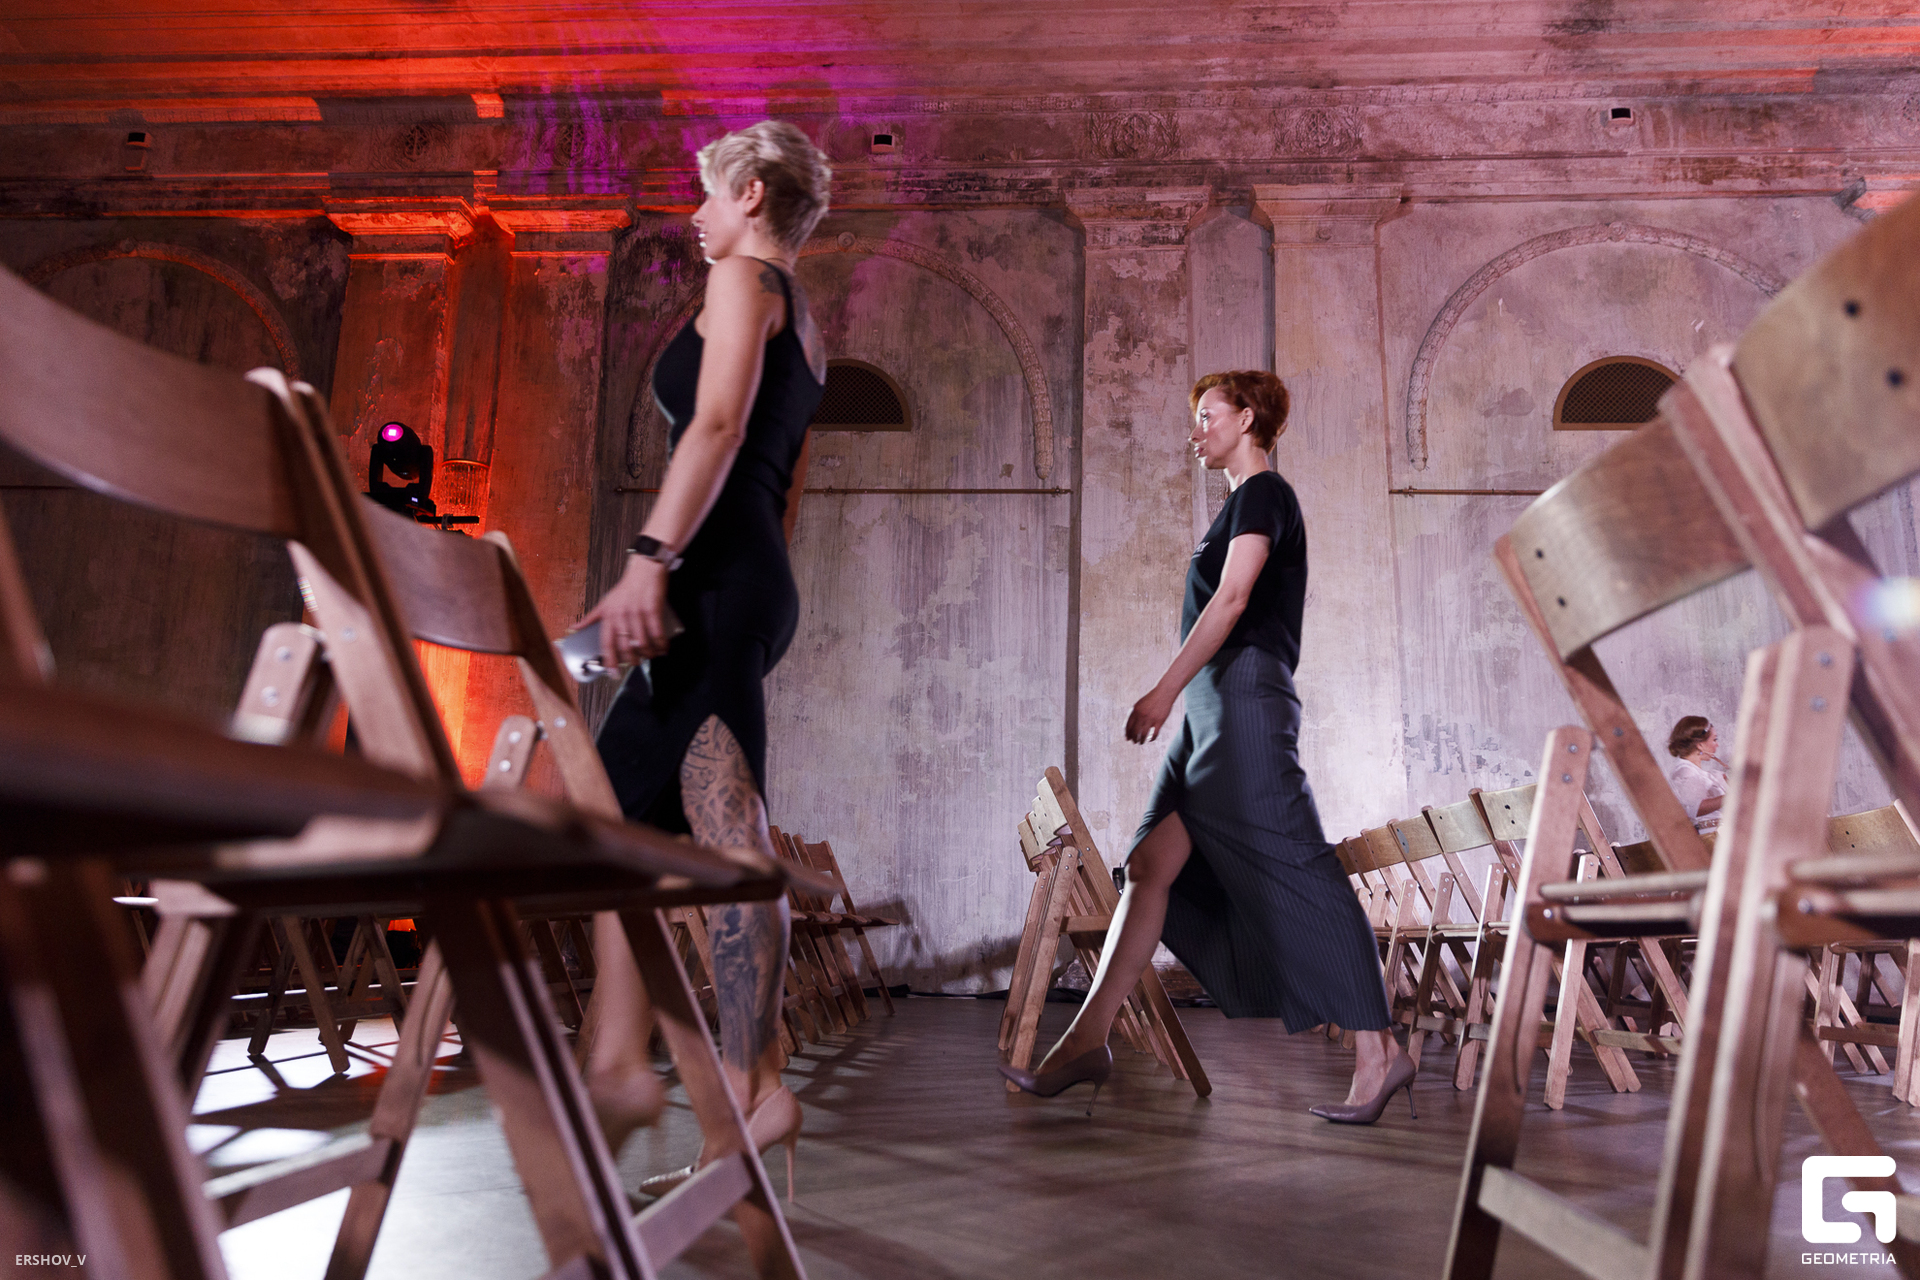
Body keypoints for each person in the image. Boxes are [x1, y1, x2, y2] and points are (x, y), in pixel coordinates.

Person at [1000, 370, 1412, 1124]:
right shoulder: (1232, 507)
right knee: (1150, 865)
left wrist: (1163, 690)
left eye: (1207, 416)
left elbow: (1233, 598)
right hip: (1210, 706)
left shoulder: (1263, 493)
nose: (1195, 432)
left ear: (1246, 418)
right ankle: (1087, 1041)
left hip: (1244, 698)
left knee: (1299, 864)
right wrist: (1184, 700)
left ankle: (1378, 1051)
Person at [578, 119, 831, 1188]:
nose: (695, 213)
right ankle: (621, 1064)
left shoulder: (744, 281)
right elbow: (786, 481)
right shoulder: (807, 324)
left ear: (754, 194)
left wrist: (651, 560)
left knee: (727, 837)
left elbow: (717, 426)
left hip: (714, 579)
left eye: (709, 193)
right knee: (621, 817)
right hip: (743, 576)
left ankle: (747, 1089)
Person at [1666, 715, 1727, 833]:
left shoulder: (1698, 772)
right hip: (1708, 837)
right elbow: (1694, 808)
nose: (1717, 745)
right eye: (1714, 740)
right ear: (1700, 745)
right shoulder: (1684, 770)